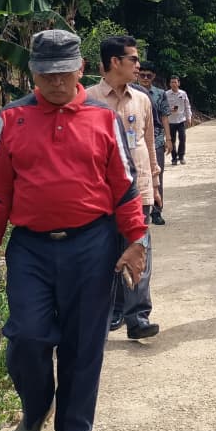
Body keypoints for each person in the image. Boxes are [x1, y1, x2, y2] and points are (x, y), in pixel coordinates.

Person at [0, 29, 148, 431]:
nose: (55, 82)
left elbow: (124, 185)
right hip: (31, 248)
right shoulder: (12, 118)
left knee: (83, 342)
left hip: (92, 244)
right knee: (26, 336)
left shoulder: (102, 118)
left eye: (64, 73)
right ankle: (35, 410)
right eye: (46, 74)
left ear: (80, 70)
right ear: (32, 73)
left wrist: (136, 241)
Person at [87, 36, 162, 340]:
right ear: (115, 62)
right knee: (105, 253)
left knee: (140, 248)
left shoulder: (142, 100)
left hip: (138, 188)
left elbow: (148, 142)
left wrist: (155, 181)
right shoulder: (88, 100)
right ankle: (111, 310)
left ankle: (138, 317)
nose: (138, 65)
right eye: (133, 59)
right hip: (100, 193)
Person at [135, 61, 171, 225]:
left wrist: (168, 139)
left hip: (156, 139)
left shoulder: (160, 94)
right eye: (142, 75)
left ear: (153, 76)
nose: (145, 78)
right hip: (137, 139)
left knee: (157, 174)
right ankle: (138, 210)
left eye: (148, 76)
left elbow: (164, 116)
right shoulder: (131, 92)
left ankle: (156, 211)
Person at [164, 75, 193, 165]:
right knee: (172, 140)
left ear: (178, 83)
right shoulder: (166, 94)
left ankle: (181, 156)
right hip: (170, 121)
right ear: (169, 84)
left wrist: (189, 117)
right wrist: (170, 110)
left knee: (182, 138)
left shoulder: (183, 93)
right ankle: (174, 158)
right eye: (172, 82)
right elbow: (163, 107)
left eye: (175, 82)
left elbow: (187, 106)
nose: (173, 84)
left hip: (181, 120)